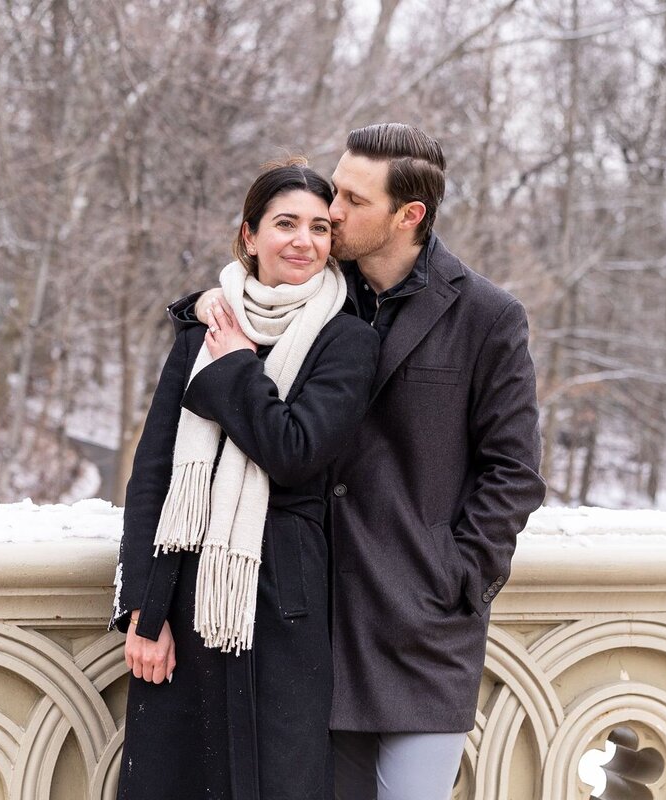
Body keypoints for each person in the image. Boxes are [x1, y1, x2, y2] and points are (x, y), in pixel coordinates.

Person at [174, 124, 546, 800]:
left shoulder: (488, 316)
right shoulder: (318, 288)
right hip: (311, 621)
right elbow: (239, 297)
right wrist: (201, 304)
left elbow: (513, 471)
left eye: (352, 199)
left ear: (410, 216)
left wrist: (456, 579)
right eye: (335, 188)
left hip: (424, 632)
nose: (331, 211)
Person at [111, 159, 380, 800]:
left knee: (275, 781)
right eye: (285, 223)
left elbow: (295, 450)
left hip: (284, 603)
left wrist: (234, 368)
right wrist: (144, 611)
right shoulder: (202, 329)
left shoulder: (348, 341)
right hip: (186, 592)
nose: (303, 241)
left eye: (320, 228)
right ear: (249, 235)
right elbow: (153, 472)